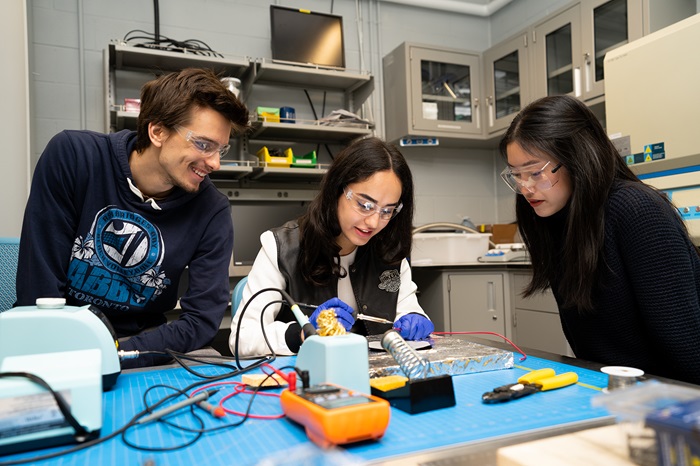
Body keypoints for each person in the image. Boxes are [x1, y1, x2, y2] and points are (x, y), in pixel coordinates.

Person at [16, 68, 250, 368]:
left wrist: (114, 355)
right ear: (157, 131)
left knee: (213, 364)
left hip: (145, 345)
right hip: (59, 340)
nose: (216, 163)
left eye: (221, 149)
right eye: (204, 144)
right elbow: (39, 293)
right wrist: (78, 357)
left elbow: (201, 321)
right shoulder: (74, 157)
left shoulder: (212, 209)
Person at [499, 94, 700, 384]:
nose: (526, 187)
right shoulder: (553, 218)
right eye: (516, 175)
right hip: (613, 389)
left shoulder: (637, 211)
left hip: (671, 394)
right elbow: (590, 346)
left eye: (535, 172)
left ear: (577, 158)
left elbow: (686, 346)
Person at [229, 136, 433, 357]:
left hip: (379, 378)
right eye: (365, 205)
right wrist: (303, 333)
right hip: (306, 380)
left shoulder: (389, 251)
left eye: (387, 211)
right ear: (338, 188)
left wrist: (417, 320)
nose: (374, 222)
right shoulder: (281, 247)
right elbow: (242, 339)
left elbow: (409, 310)